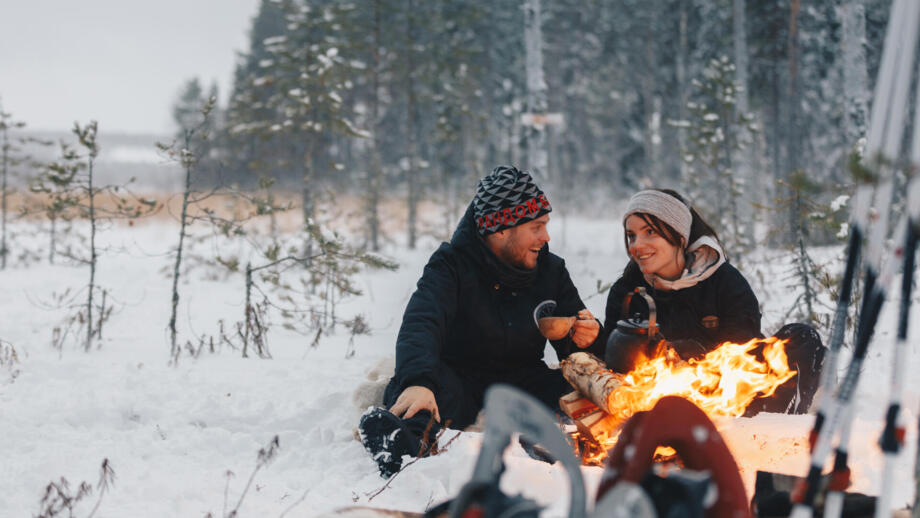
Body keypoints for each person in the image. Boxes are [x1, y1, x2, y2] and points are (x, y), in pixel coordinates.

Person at [358, 165, 601, 477]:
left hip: (523, 381)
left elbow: (575, 347)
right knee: (419, 388)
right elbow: (422, 324)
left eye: (546, 225)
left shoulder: (551, 271)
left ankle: (577, 442)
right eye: (536, 227)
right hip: (461, 380)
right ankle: (404, 444)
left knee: (578, 387)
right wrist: (419, 382)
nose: (546, 237)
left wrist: (591, 337)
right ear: (501, 229)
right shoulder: (450, 266)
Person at [599, 189, 825, 416]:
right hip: (657, 398)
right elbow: (611, 361)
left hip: (726, 392)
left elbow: (743, 349)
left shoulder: (723, 280)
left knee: (802, 338)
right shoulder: (627, 291)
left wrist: (691, 354)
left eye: (650, 232)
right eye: (631, 236)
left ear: (679, 235)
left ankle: (778, 421)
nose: (637, 245)